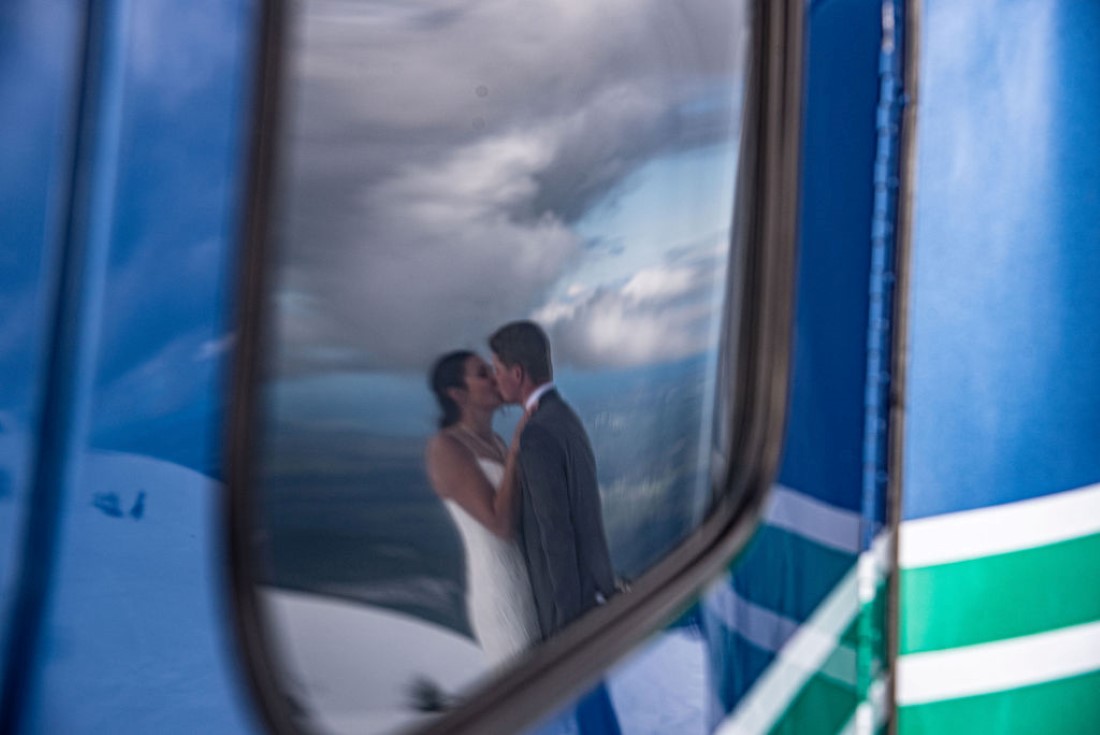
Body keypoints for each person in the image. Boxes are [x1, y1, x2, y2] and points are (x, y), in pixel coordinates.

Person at [489, 321, 622, 735]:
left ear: (517, 374)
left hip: (569, 607)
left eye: (497, 370)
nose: (495, 379)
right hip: (594, 589)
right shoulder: (565, 416)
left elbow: (555, 537)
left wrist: (564, 634)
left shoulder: (536, 435)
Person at [425, 350, 540, 664]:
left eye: (493, 370)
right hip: (502, 593)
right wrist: (517, 450)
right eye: (482, 374)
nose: (495, 378)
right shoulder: (445, 448)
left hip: (532, 585)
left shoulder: (495, 442)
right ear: (458, 394)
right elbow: (500, 525)